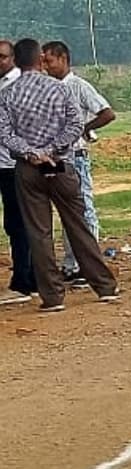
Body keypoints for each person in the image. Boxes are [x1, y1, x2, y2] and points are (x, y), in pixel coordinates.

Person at [0, 38, 118, 312]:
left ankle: (52, 296)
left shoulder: (8, 95)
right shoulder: (60, 89)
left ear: (16, 61)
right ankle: (104, 286)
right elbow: (76, 124)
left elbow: (5, 134)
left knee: (39, 232)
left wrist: (31, 152)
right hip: (60, 164)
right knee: (77, 225)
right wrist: (52, 150)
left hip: (28, 169)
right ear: (40, 60)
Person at [41, 40, 115, 287]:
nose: (45, 66)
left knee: (84, 210)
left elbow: (107, 112)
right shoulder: (48, 87)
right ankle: (72, 264)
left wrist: (84, 129)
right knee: (66, 212)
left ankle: (88, 265)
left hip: (77, 156)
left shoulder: (79, 86)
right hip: (56, 157)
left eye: (49, 61)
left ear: (63, 59)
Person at [0, 39, 34, 305]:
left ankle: (24, 281)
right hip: (4, 164)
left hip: (13, 165)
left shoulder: (15, 87)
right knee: (16, 224)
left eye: (2, 57)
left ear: (13, 58)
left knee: (19, 224)